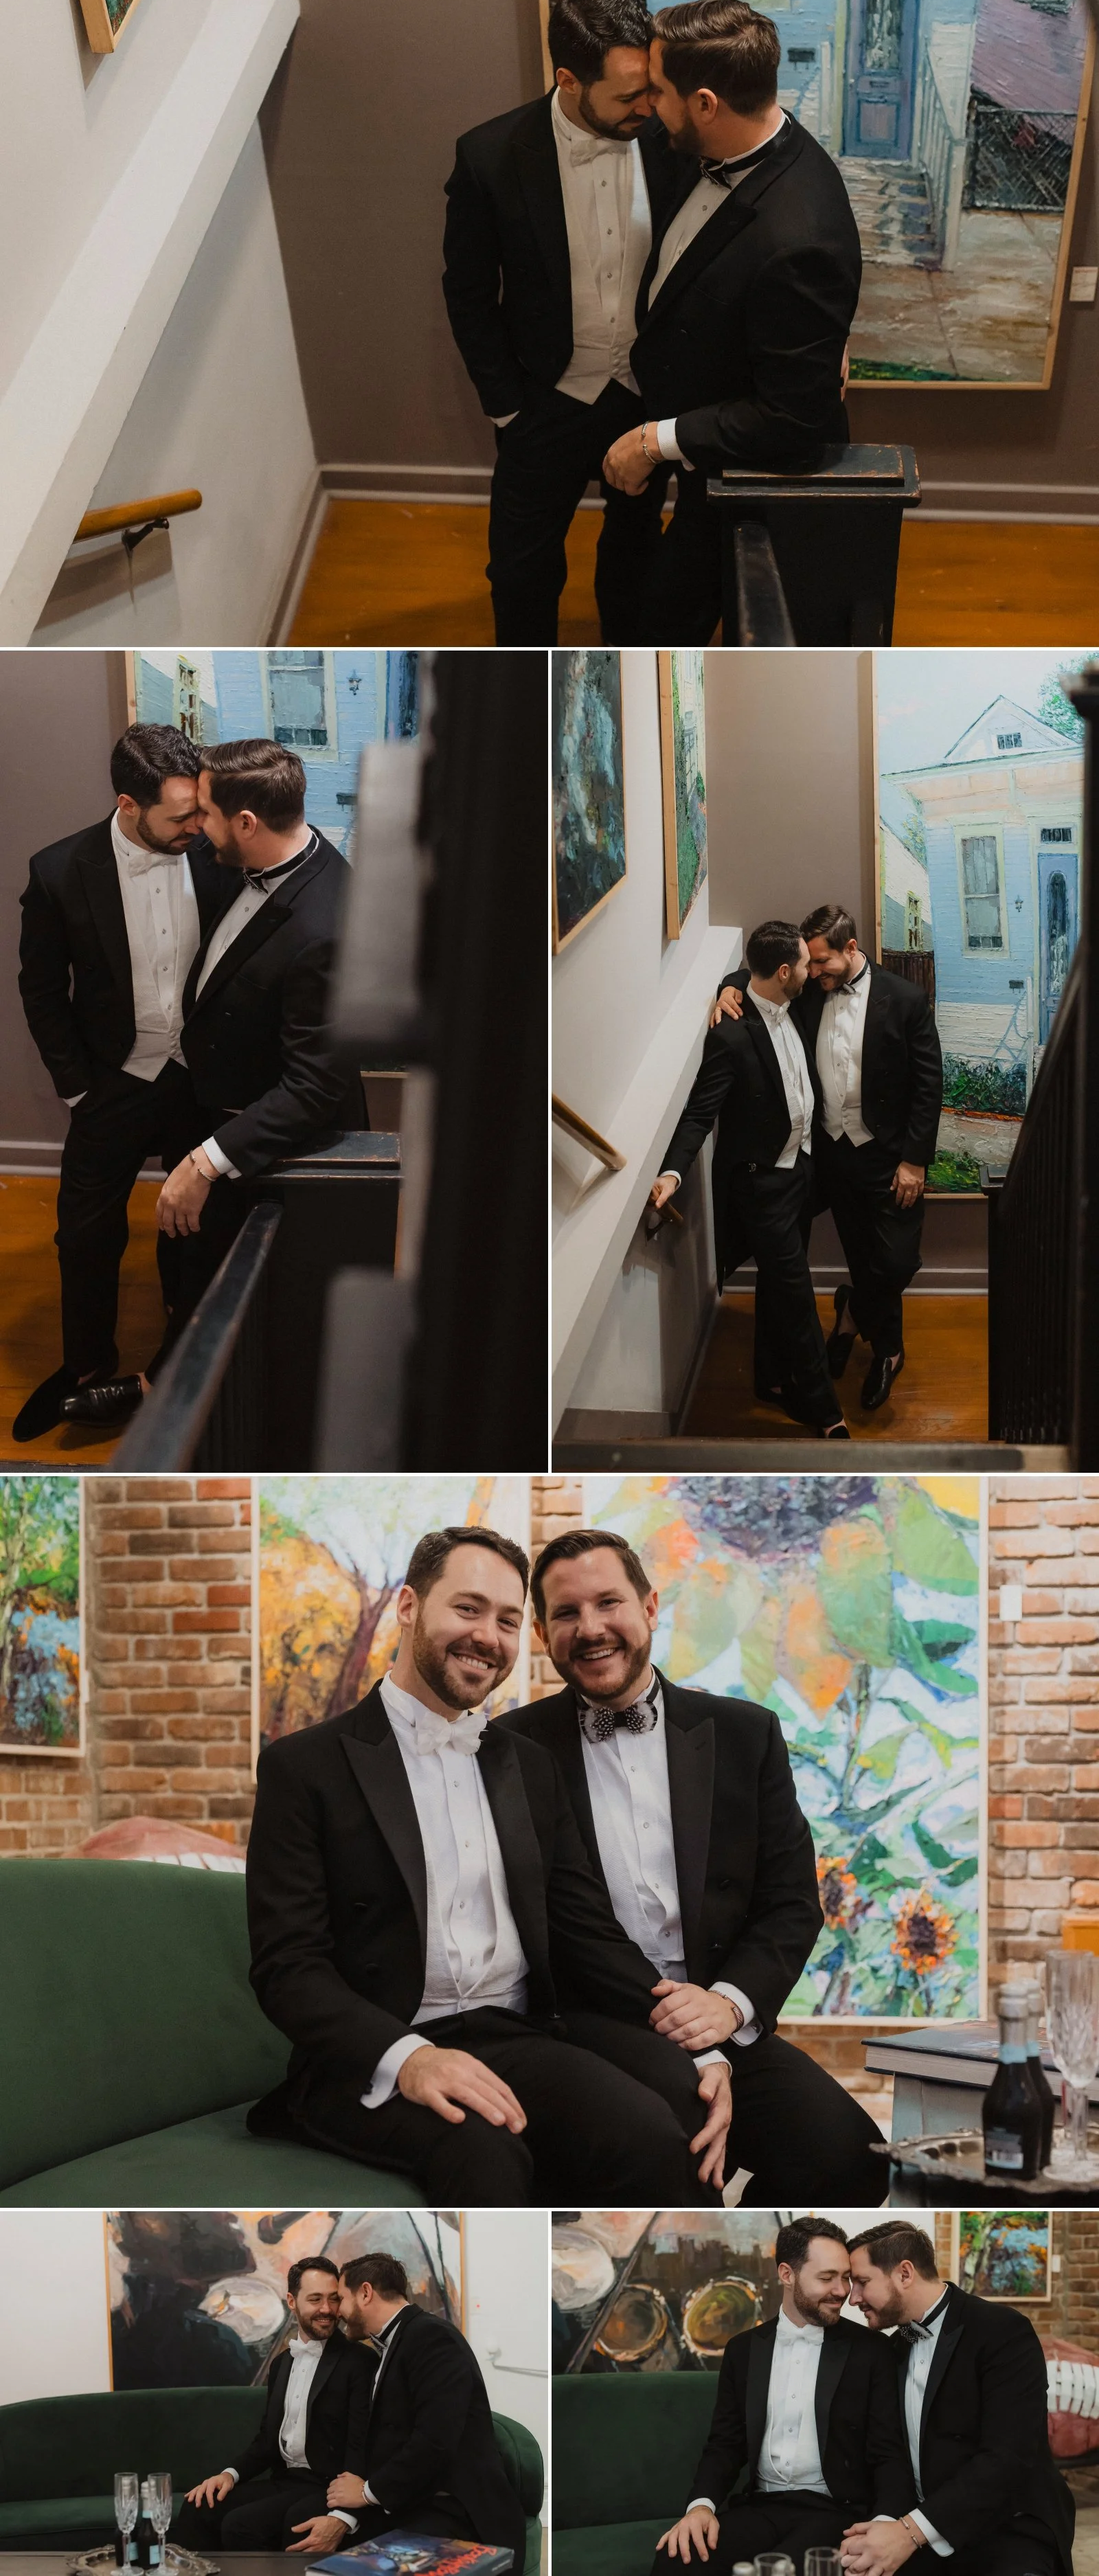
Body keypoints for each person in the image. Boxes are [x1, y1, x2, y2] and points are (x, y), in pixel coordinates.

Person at [245, 1524, 734, 2207]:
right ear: (410, 1606)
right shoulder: (305, 1765)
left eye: (507, 1620)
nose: (487, 1635)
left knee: (652, 2132)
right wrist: (408, 2057)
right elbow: (287, 1964)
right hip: (371, 2055)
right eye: (467, 1608)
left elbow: (584, 1928)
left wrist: (699, 2045)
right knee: (487, 2149)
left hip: (513, 2032)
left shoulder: (525, 1765)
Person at [513, 1527, 890, 2200]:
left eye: (608, 1602)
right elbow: (550, 1920)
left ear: (650, 1606)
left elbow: (791, 1903)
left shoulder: (746, 1734)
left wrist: (727, 2004)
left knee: (850, 2160)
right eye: (567, 1613)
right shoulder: (509, 1749)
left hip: (725, 2016)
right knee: (675, 2151)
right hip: (589, 2028)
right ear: (543, 1631)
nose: (591, 1627)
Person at [61, 740, 361, 1429]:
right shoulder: (244, 865)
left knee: (244, 1291)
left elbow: (314, 1087)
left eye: (208, 815)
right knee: (188, 1257)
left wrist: (207, 1158)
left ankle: (179, 1403)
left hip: (266, 1139)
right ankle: (162, 1373)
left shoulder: (326, 922)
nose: (197, 828)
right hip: (207, 1104)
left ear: (247, 822)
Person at [602, 0, 862, 644]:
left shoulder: (798, 236)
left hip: (742, 480)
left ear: (706, 104)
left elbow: (792, 420)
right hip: (689, 418)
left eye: (658, 91)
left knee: (664, 629)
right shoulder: (714, 143)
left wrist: (653, 442)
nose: (646, 105)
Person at [442, 0, 692, 641]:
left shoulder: (674, 140)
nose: (649, 105)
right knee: (521, 575)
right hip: (542, 400)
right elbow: (467, 292)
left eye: (652, 86)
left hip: (644, 399)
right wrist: (508, 406)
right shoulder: (489, 157)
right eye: (629, 93)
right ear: (569, 80)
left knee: (636, 553)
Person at [14, 723, 227, 1443]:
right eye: (181, 815)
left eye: (200, 809)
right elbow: (40, 989)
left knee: (192, 1221)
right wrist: (76, 1087)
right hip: (112, 1082)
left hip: (198, 1079)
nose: (198, 826)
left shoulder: (217, 854)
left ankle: (175, 1359)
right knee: (83, 1233)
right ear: (128, 804)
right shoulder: (57, 871)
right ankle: (85, 1365)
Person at [714, 905, 944, 1414]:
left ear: (851, 949)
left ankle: (851, 1316)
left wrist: (914, 1160)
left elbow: (929, 1085)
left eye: (822, 962)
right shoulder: (808, 993)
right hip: (831, 1157)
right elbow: (761, 968)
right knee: (863, 1257)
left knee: (896, 1261)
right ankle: (888, 1348)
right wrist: (727, 988)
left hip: (889, 1160)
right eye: (809, 964)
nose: (813, 972)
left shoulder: (904, 999)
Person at [650, 919, 848, 1438]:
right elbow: (699, 1113)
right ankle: (825, 1411)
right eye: (805, 963)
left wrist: (729, 985)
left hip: (801, 1172)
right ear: (785, 971)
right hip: (764, 1187)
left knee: (780, 1285)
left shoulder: (794, 1001)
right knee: (798, 1293)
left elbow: (744, 971)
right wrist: (672, 1171)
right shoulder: (731, 1037)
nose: (813, 969)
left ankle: (769, 1378)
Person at [653, 2217, 911, 2573]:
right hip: (760, 2506)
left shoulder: (872, 2351)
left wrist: (883, 2525)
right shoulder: (742, 2350)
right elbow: (725, 2443)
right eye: (826, 2278)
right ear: (787, 2275)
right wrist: (700, 2507)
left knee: (784, 2569)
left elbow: (889, 2452)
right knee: (675, 2559)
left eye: (845, 2277)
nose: (842, 2291)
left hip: (836, 2513)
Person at [842, 2221, 1076, 2576]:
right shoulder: (892, 2347)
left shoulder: (1002, 2330)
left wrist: (909, 2533)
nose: (853, 2298)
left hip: (1010, 2524)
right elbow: (889, 2454)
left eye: (861, 2282)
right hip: (924, 2521)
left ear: (905, 2273)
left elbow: (1008, 2458)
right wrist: (887, 2524)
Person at [332, 2249, 526, 2571]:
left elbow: (435, 2440)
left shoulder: (432, 2337)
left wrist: (367, 2493)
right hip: (414, 2500)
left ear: (365, 2293)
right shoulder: (396, 2342)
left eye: (341, 2298)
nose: (337, 2310)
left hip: (457, 2509)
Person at [178, 2255, 372, 2555]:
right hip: (286, 2481)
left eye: (334, 2299)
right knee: (198, 2506)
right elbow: (267, 2442)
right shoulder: (281, 2364)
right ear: (292, 2302)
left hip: (328, 2487)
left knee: (241, 2525)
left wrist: (345, 2515)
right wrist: (228, 2474)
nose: (327, 2309)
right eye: (315, 2299)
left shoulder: (359, 2361)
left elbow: (363, 2444)